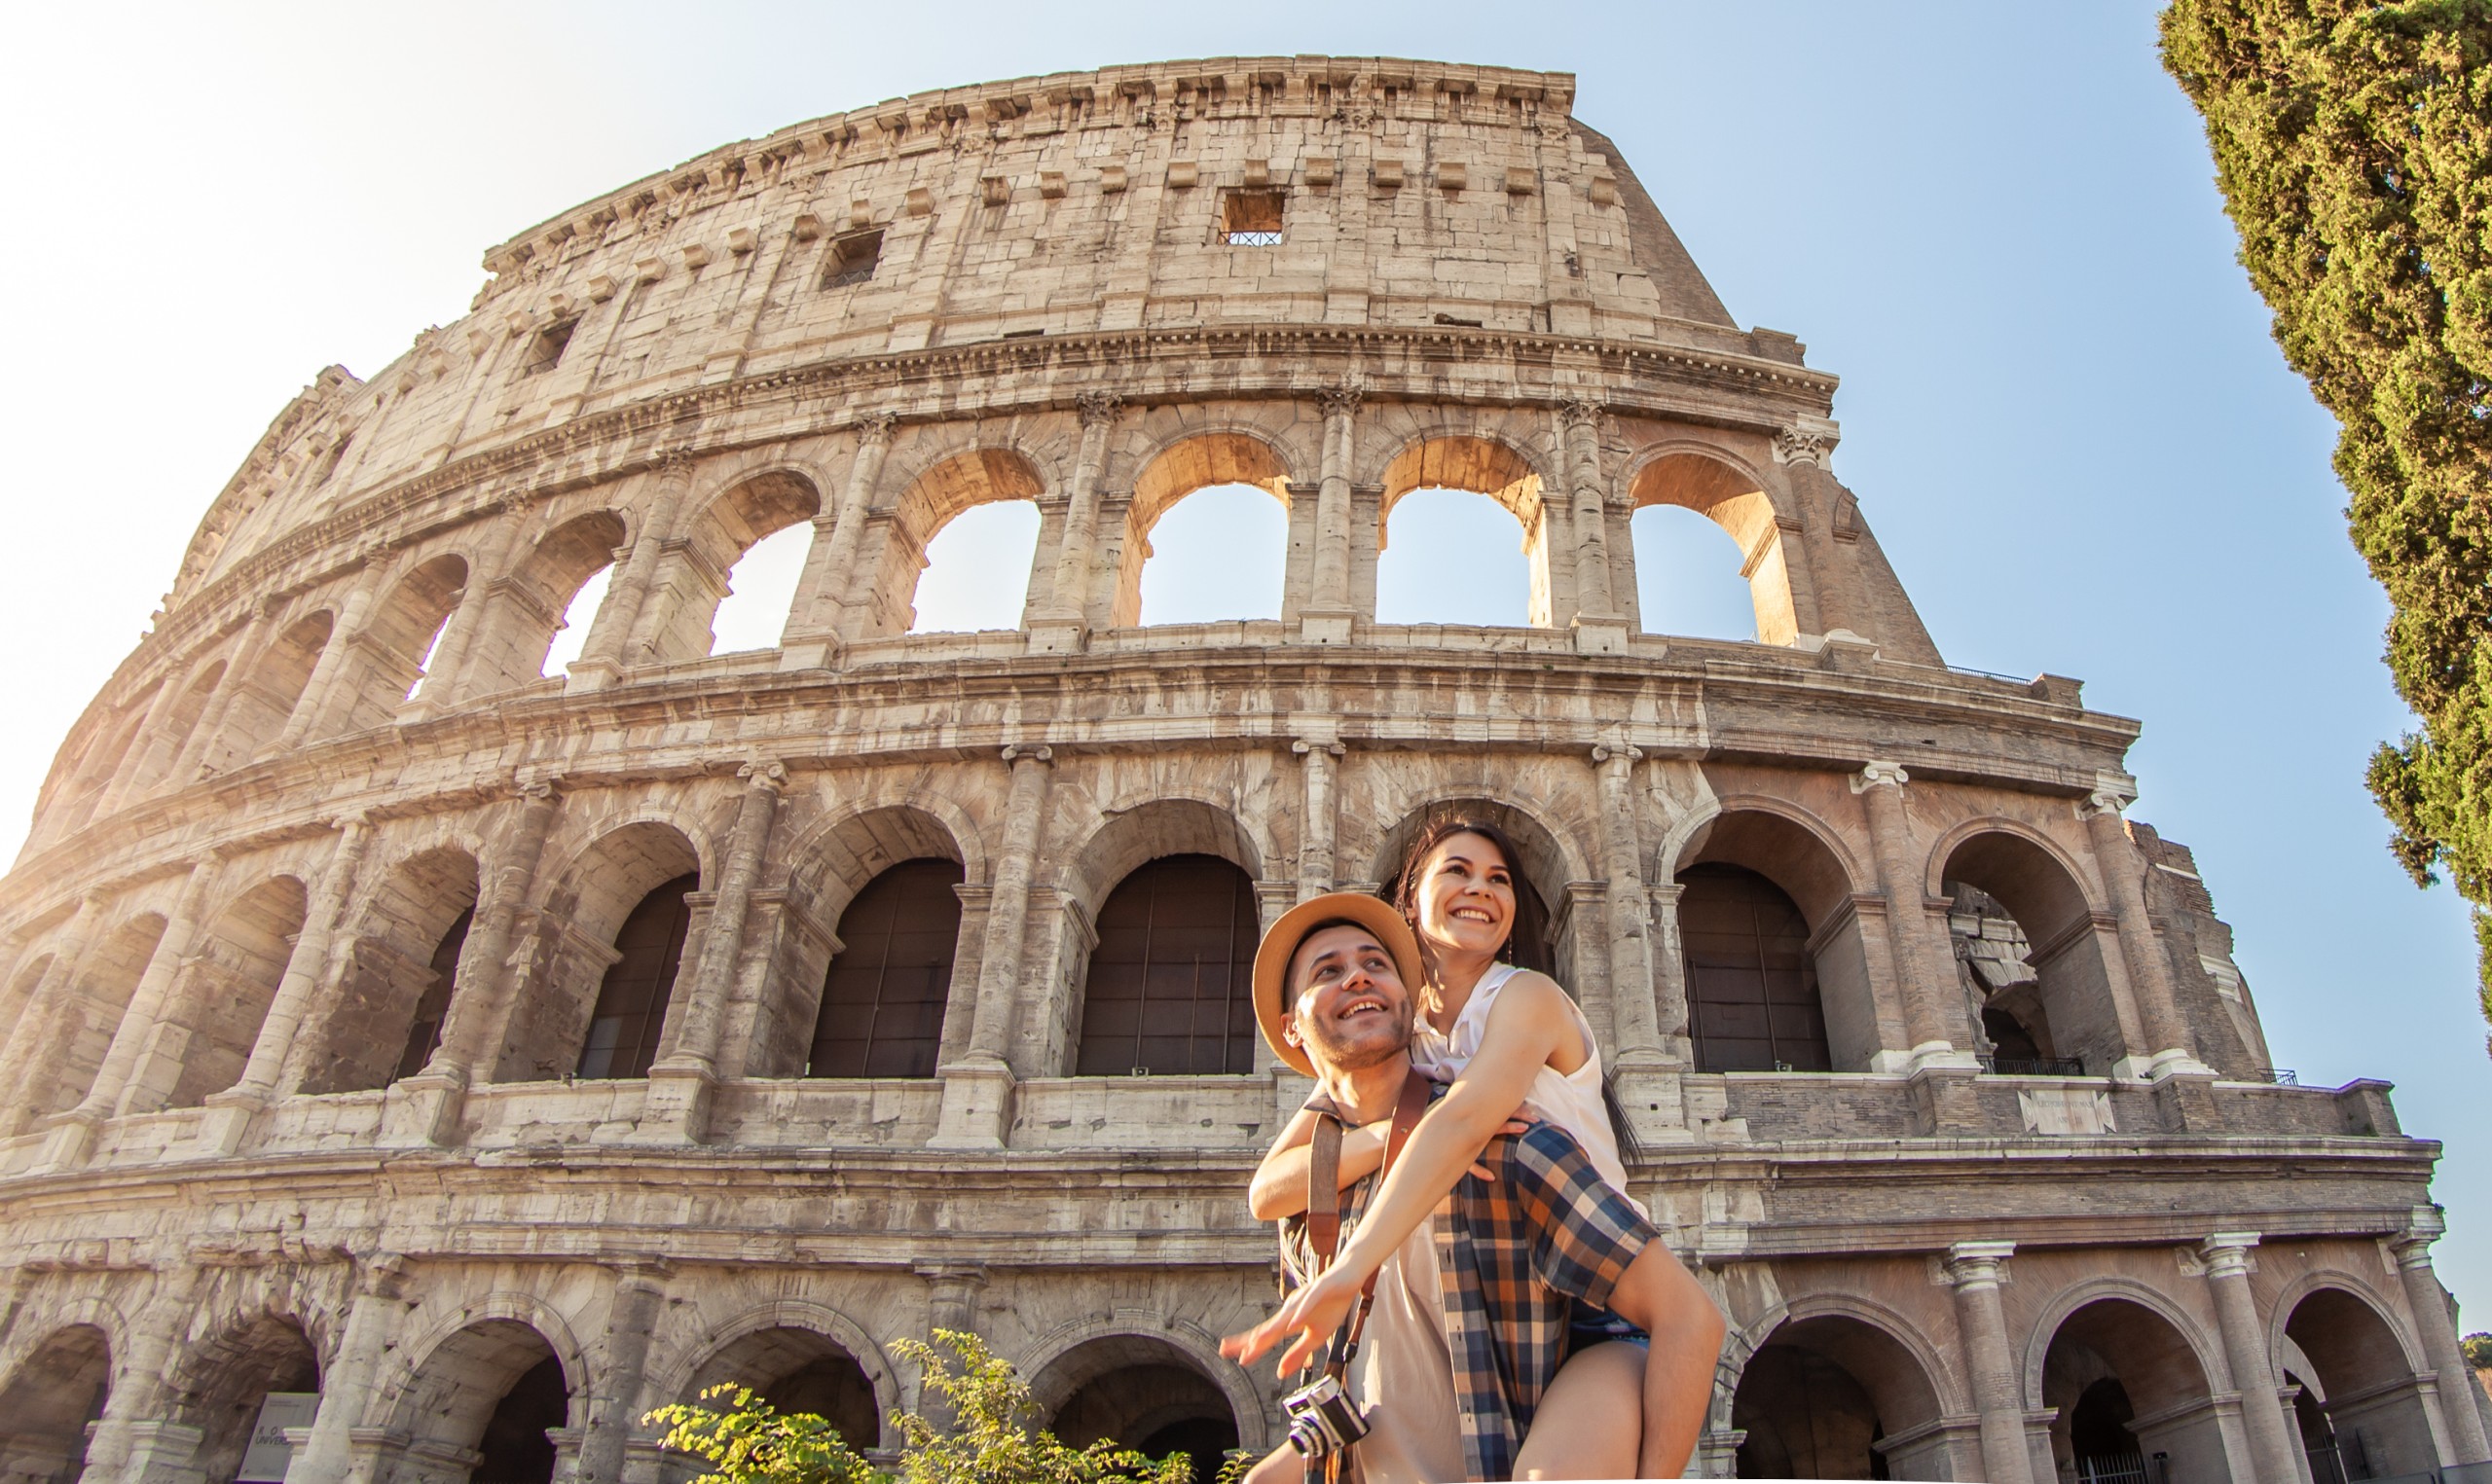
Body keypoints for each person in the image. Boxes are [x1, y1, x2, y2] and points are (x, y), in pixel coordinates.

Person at [1222, 891, 1723, 1483]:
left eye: (1376, 964)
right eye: (1329, 971)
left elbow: (1689, 1317)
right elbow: (1359, 1371)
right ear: (1292, 1030)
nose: (1357, 977)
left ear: (1411, 1009)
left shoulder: (1508, 1143)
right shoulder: (1315, 1199)